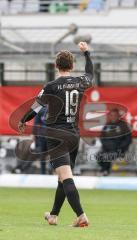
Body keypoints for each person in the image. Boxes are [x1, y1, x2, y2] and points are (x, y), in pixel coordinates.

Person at [18, 42, 93, 227]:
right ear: (73, 65)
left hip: (56, 136)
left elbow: (36, 107)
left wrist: (23, 120)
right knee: (62, 177)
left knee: (66, 177)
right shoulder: (79, 82)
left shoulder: (51, 86)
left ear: (56, 66)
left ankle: (81, 215)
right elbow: (90, 75)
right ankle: (53, 215)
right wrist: (87, 54)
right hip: (74, 136)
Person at [98, 108, 132, 176]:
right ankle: (105, 170)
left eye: (115, 115)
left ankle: (105, 171)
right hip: (107, 149)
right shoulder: (107, 125)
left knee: (108, 156)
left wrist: (120, 148)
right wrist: (106, 146)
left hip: (119, 150)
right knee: (99, 155)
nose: (113, 117)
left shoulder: (123, 126)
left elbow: (128, 140)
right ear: (110, 116)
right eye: (112, 115)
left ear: (118, 116)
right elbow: (102, 138)